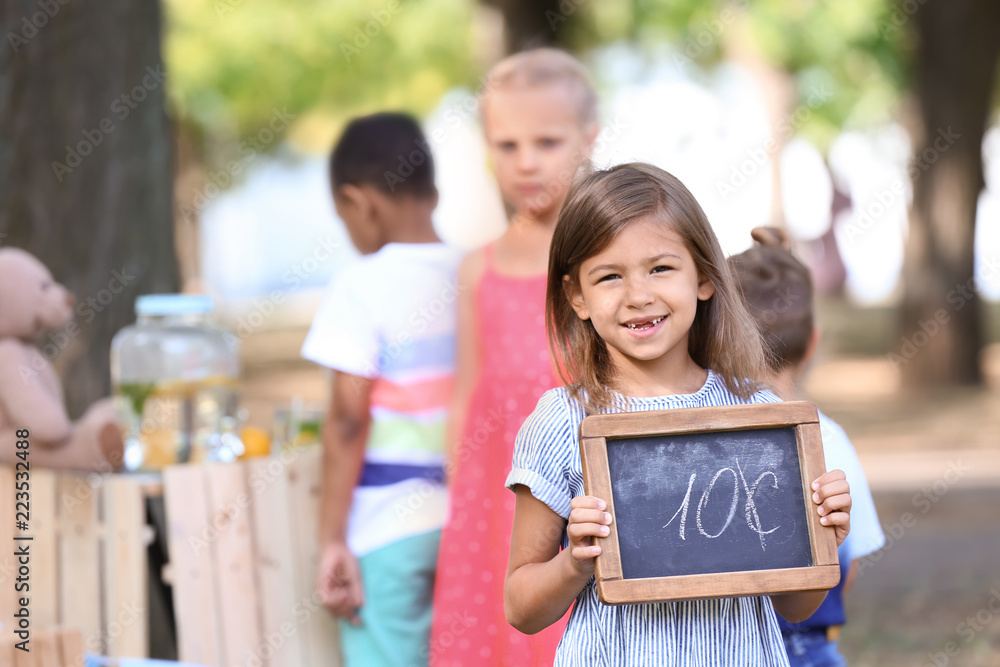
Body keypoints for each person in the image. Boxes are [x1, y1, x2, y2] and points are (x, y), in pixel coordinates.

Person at [504, 163, 854, 666]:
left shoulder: (759, 419)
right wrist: (576, 564)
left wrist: (821, 542)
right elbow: (520, 605)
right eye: (609, 276)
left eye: (660, 268)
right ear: (577, 296)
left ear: (705, 277)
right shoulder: (562, 421)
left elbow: (795, 606)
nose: (638, 295)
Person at [429, 48, 599, 667]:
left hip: (586, 490)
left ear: (589, 138)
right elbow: (468, 389)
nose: (526, 162)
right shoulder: (480, 267)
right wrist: (458, 488)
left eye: (547, 142)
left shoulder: (606, 256)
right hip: (495, 494)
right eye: (506, 145)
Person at [302, 112, 461, 667]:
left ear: (359, 201)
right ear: (433, 192)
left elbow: (348, 419)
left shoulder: (359, 286)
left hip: (388, 527)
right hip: (473, 521)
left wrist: (332, 540)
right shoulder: (474, 273)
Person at [730, 227, 885, 667]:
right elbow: (849, 562)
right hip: (811, 647)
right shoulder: (829, 437)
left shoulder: (710, 441)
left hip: (731, 642)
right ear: (812, 341)